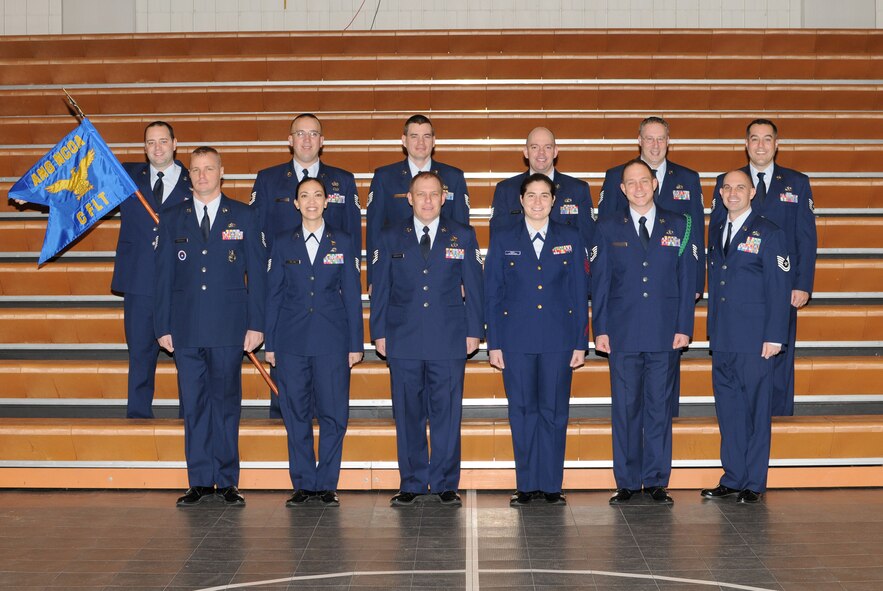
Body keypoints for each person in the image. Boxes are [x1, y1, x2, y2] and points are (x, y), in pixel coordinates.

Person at [155, 146, 267, 507]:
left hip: (229, 328)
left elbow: (258, 277)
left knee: (226, 405)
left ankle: (228, 479)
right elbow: (163, 279)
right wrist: (162, 326)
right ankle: (200, 479)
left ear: (222, 172)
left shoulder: (244, 216)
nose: (202, 175)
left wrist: (257, 324)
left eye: (209, 168)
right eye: (196, 169)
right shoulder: (172, 217)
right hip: (185, 327)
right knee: (194, 405)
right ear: (189, 174)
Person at [369, 171, 483, 507]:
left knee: (447, 414)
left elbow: (474, 287)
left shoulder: (461, 235)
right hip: (402, 338)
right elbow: (381, 289)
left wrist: (474, 330)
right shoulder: (390, 237)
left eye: (434, 194)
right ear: (410, 198)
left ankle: (447, 481)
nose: (428, 200)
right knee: (408, 414)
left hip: (448, 337)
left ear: (444, 197)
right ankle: (413, 481)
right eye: (421, 194)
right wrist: (378, 332)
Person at [591, 159, 697, 505]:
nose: (638, 188)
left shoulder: (680, 224)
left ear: (655, 184)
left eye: (644, 181)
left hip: (665, 332)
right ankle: (626, 480)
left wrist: (684, 326)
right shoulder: (607, 227)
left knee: (658, 408)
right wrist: (600, 329)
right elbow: (601, 283)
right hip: (622, 333)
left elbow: (686, 281)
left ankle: (655, 480)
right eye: (630, 183)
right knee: (625, 409)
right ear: (622, 190)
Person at [484, 173, 589, 506]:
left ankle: (552, 485)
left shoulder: (570, 237)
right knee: (523, 412)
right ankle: (527, 484)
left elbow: (578, 292)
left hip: (558, 340)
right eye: (531, 195)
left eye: (545, 196)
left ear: (554, 201)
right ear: (521, 200)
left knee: (554, 413)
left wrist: (579, 342)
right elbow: (493, 293)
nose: (538, 202)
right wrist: (494, 343)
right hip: (516, 340)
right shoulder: (503, 238)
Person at [250, 113, 361, 418]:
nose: (307, 140)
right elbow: (256, 236)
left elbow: (352, 236)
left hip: (328, 303)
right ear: (290, 140)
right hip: (285, 297)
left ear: (322, 141)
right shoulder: (268, 179)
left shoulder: (343, 181)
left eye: (313, 134)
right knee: (288, 401)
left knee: (329, 402)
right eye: (300, 133)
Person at [264, 177, 364, 507]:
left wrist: (355, 344)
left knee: (335, 414)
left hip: (332, 340)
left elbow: (351, 295)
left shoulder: (344, 241)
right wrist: (271, 343)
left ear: (326, 201)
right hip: (291, 341)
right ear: (295, 203)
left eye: (317, 195)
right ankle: (304, 482)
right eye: (304, 195)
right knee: (296, 414)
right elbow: (273, 294)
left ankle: (327, 483)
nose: (311, 201)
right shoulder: (282, 242)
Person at [598, 117, 705, 418]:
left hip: (667, 297)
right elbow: (604, 233)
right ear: (639, 140)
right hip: (627, 302)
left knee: (662, 398)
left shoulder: (688, 178)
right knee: (627, 404)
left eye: (661, 138)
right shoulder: (614, 176)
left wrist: (695, 283)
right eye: (649, 138)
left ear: (668, 141)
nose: (655, 144)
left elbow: (694, 234)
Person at [710, 119, 816, 417]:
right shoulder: (729, 182)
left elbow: (806, 237)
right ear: (746, 144)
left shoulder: (797, 182)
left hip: (783, 285)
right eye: (754, 139)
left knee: (780, 354)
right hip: (741, 290)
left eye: (767, 139)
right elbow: (717, 236)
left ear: (776, 144)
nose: (760, 145)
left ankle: (779, 420)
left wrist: (802, 283)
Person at [702, 170, 791, 503]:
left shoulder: (769, 233)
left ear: (752, 192)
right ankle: (733, 476)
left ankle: (753, 482)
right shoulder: (718, 230)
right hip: (724, 339)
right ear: (721, 194)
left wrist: (774, 336)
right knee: (730, 413)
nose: (733, 193)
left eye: (741, 187)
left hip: (756, 341)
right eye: (727, 188)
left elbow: (779, 288)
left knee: (755, 413)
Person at [112, 121, 191, 419]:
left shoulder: (194, 179)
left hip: (182, 283)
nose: (157, 148)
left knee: (188, 357)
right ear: (144, 147)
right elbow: (86, 191)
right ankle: (138, 418)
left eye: (162, 141)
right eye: (150, 142)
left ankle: (190, 419)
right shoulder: (126, 176)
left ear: (174, 143)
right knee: (141, 355)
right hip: (140, 280)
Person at [366, 114, 470, 290]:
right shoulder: (384, 177)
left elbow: (461, 230)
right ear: (404, 141)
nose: (421, 142)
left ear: (434, 141)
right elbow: (375, 231)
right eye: (414, 136)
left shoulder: (454, 177)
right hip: (397, 271)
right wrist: (374, 277)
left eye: (426, 136)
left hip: (442, 272)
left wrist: (462, 277)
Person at [490, 127, 594, 249]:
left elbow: (587, 239)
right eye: (534, 147)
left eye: (547, 147)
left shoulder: (578, 190)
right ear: (526, 152)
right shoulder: (506, 190)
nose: (541, 153)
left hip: (564, 265)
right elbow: (497, 240)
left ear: (555, 151)